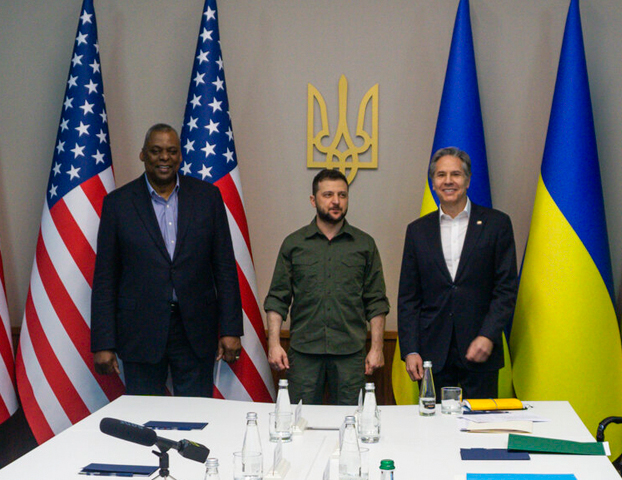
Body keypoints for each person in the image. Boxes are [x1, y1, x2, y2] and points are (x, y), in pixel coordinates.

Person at [90, 123, 243, 396]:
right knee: (144, 415)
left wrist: (231, 329)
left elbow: (225, 268)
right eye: (156, 151)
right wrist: (103, 342)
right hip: (140, 331)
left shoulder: (207, 198)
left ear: (180, 156)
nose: (164, 157)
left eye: (172, 151)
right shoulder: (118, 204)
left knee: (196, 414)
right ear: (143, 154)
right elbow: (105, 278)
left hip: (195, 330)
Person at [397, 147, 518, 399]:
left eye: (456, 174)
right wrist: (410, 350)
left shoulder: (497, 224)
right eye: (441, 175)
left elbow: (506, 289)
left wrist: (488, 335)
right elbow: (409, 297)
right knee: (433, 423)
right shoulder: (417, 231)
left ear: (468, 180)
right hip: (432, 354)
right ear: (433, 183)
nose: (448, 181)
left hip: (480, 349)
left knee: (480, 422)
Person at [264, 169, 389, 405]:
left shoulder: (364, 245)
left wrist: (377, 348)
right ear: (313, 200)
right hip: (304, 354)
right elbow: (277, 299)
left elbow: (376, 301)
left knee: (352, 420)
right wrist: (274, 344)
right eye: (328, 195)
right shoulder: (294, 244)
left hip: (350, 354)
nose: (336, 201)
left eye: (342, 195)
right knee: (300, 420)